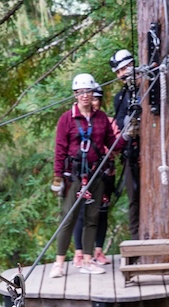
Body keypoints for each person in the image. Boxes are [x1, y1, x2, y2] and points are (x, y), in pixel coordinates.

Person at [51, 73, 120, 278]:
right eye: (80, 92)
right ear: (75, 94)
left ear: (92, 93)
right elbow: (60, 148)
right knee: (68, 217)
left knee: (92, 218)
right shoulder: (67, 119)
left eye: (88, 92)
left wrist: (126, 135)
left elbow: (111, 142)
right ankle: (59, 263)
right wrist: (57, 176)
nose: (84, 96)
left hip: (96, 174)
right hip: (74, 175)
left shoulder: (101, 118)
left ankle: (88, 260)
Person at [72, 83, 117, 266]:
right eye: (93, 98)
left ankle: (98, 250)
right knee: (82, 212)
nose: (95, 102)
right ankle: (79, 252)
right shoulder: (79, 120)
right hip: (85, 172)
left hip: (105, 171)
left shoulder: (108, 121)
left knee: (102, 212)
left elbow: (115, 144)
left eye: (97, 98)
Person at [110, 48, 141, 240]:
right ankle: (137, 240)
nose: (122, 74)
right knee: (133, 198)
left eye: (125, 69)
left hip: (152, 151)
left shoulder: (148, 89)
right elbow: (120, 122)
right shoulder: (120, 98)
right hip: (132, 154)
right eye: (119, 72)